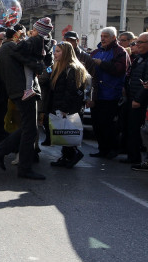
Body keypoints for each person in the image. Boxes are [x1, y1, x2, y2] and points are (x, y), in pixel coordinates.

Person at [0, 25, 46, 180]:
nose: (22, 39)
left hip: (18, 90)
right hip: (24, 91)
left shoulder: (6, 48)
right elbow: (36, 65)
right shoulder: (12, 48)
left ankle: (1, 151)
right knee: (30, 130)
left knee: (29, 128)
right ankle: (23, 167)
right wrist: (41, 63)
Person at [89, 27, 130, 159]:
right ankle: (102, 149)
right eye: (101, 36)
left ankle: (112, 149)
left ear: (113, 38)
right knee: (97, 124)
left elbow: (119, 70)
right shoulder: (95, 52)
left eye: (106, 36)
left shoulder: (120, 52)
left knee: (108, 125)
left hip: (111, 94)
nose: (103, 38)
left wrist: (101, 63)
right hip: (96, 95)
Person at [47, 41, 90, 168]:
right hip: (61, 105)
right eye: (55, 51)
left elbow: (71, 91)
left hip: (69, 107)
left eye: (58, 51)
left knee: (68, 133)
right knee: (64, 132)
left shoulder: (72, 68)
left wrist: (65, 109)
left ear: (66, 53)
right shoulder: (59, 66)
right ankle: (66, 156)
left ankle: (73, 155)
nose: (55, 54)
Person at [120, 32, 148, 165]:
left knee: (138, 130)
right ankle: (133, 156)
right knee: (132, 129)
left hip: (141, 102)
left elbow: (146, 84)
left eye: (140, 43)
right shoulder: (139, 58)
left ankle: (137, 158)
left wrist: (138, 99)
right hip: (132, 98)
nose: (137, 45)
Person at [17, 17, 54, 101]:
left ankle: (28, 90)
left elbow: (22, 48)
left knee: (28, 73)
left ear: (39, 32)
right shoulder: (47, 42)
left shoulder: (33, 40)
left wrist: (19, 40)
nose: (32, 32)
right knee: (31, 75)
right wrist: (48, 67)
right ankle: (29, 89)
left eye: (34, 30)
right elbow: (49, 59)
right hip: (38, 64)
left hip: (30, 61)